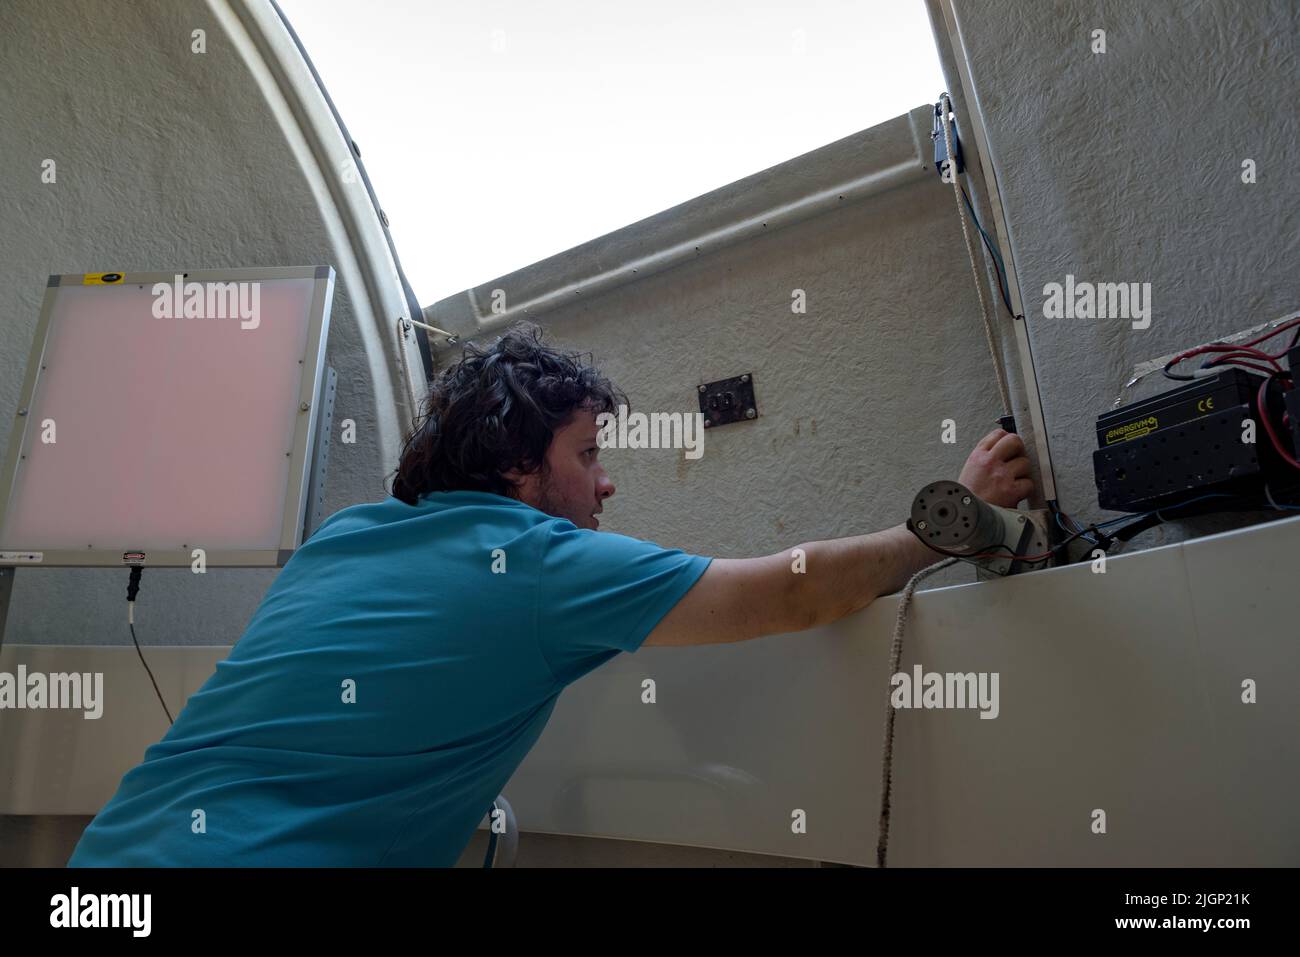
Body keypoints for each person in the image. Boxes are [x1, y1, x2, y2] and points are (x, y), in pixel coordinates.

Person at [69, 322, 1032, 867]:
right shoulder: (537, 562)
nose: (606, 482)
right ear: (524, 465)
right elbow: (795, 592)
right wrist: (948, 520)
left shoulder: (345, 536)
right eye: (589, 454)